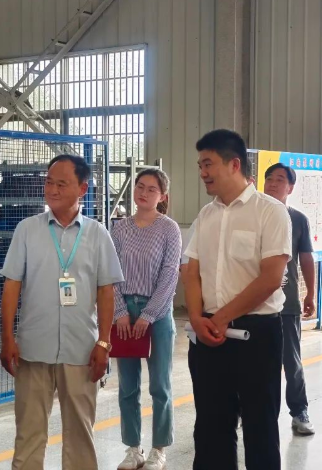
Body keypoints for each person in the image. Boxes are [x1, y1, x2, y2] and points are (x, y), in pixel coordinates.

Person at [0, 154, 124, 470]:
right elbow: (11, 286)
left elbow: (106, 291)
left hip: (81, 350)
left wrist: (104, 342)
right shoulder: (27, 230)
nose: (52, 190)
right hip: (33, 348)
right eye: (49, 182)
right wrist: (8, 338)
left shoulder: (98, 234)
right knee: (28, 435)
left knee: (80, 435)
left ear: (82, 188)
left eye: (61, 184)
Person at [185, 129, 292, 470]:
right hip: (208, 335)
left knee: (260, 426)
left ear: (234, 164)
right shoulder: (207, 215)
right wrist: (198, 319)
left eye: (208, 164)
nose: (202, 172)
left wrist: (219, 319)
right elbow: (190, 271)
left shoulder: (270, 212)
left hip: (256, 335)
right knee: (211, 427)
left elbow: (271, 278)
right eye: (200, 165)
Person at [112, 168, 182, 470]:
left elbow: (170, 275)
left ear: (162, 196)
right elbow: (111, 273)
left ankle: (159, 449)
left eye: (151, 189)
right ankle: (133, 449)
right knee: (127, 387)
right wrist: (120, 312)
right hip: (124, 314)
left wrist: (149, 315)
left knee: (160, 386)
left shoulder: (169, 229)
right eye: (140, 186)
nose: (143, 193)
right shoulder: (119, 229)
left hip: (159, 314)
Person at [263, 163, 316, 435]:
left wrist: (311, 293)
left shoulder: (298, 219)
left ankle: (299, 411)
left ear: (290, 188)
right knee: (255, 363)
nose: (272, 183)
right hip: (254, 303)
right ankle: (252, 410)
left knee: (291, 361)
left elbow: (306, 258)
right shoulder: (253, 216)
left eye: (280, 179)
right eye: (269, 178)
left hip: (287, 302)